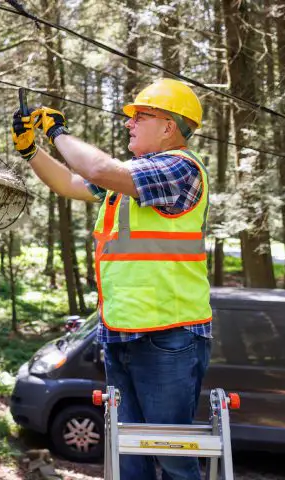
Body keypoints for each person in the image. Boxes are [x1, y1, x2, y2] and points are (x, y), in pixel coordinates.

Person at [11, 78, 212, 480]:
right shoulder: (130, 180)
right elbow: (70, 183)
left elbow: (97, 168)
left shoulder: (180, 169)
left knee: (171, 456)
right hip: (122, 331)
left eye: (140, 116)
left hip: (168, 333)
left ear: (168, 127)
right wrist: (31, 150)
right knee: (128, 454)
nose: (128, 123)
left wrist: (57, 132)